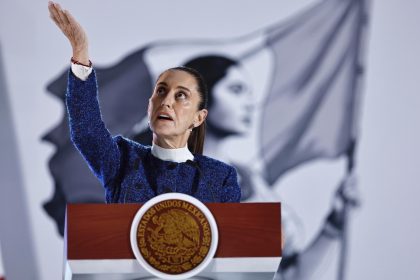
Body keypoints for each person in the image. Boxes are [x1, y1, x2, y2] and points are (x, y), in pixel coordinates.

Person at [47, 1, 241, 203]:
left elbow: (231, 232)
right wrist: (80, 51)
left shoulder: (220, 177)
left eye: (181, 95)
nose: (166, 102)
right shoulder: (122, 161)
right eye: (161, 91)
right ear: (149, 107)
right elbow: (86, 130)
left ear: (199, 117)